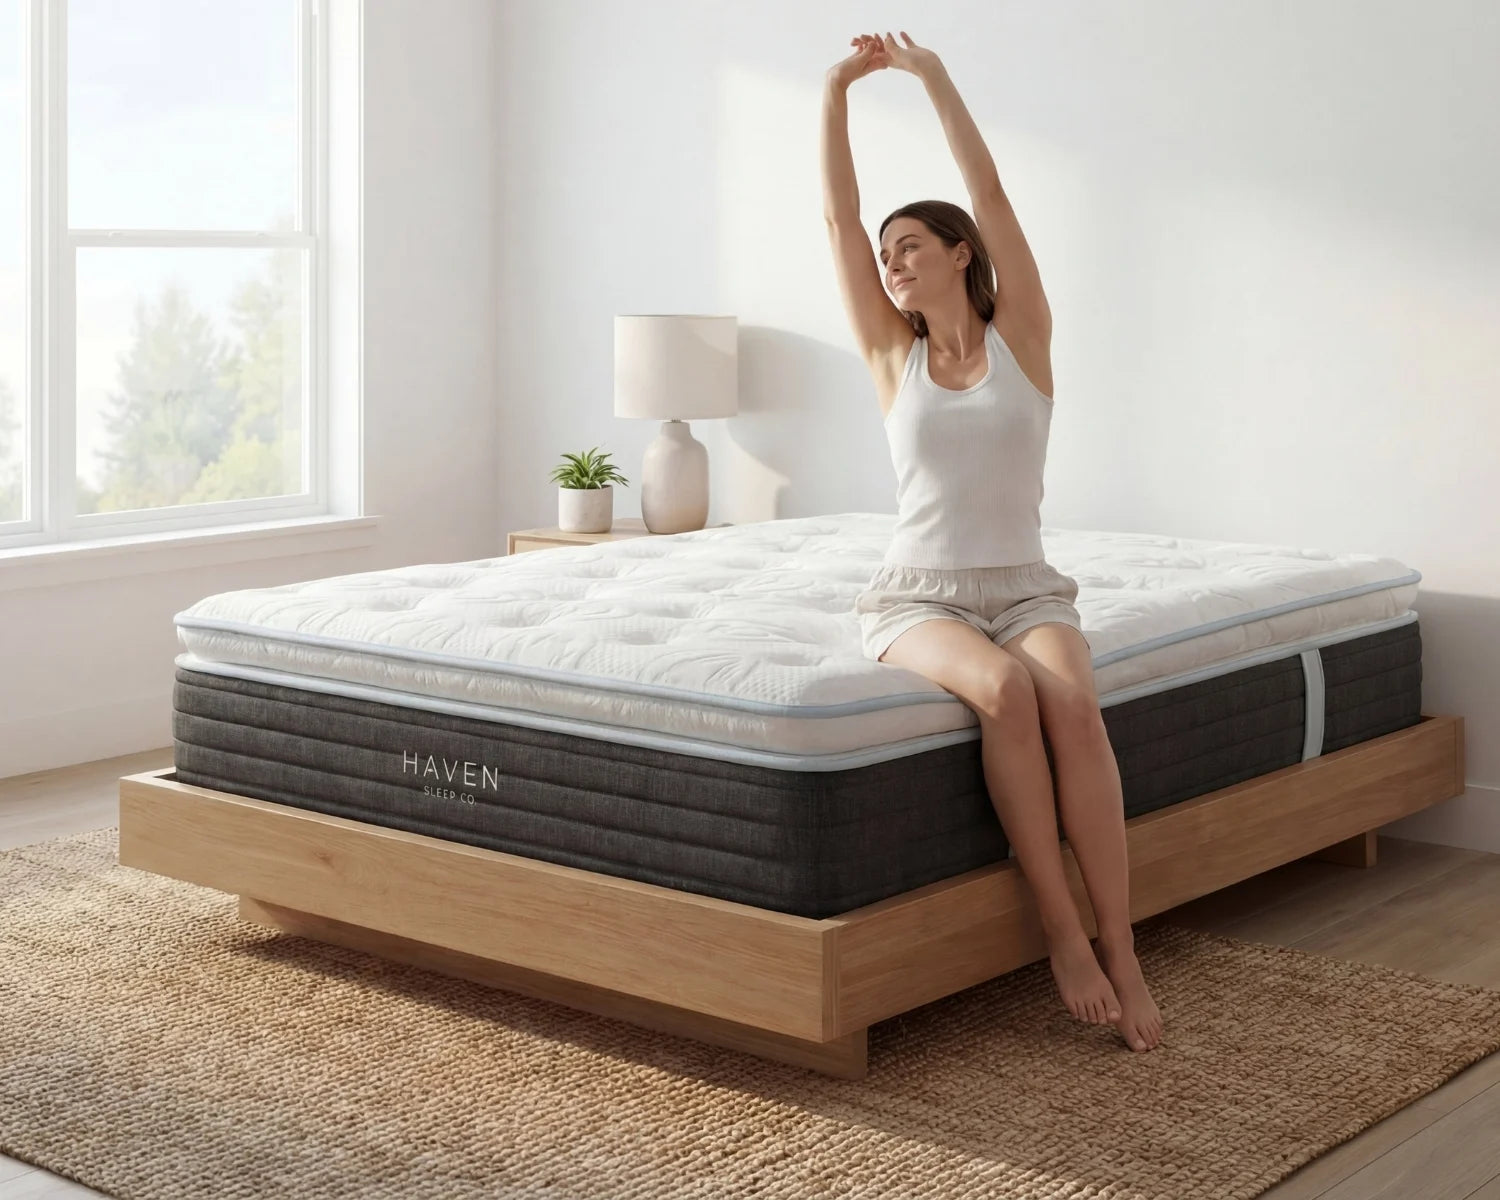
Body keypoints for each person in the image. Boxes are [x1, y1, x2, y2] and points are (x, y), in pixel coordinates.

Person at [822, 31, 1162, 1053]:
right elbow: (837, 219)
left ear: (960, 252)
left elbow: (994, 192)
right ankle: (1062, 935)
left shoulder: (1024, 341)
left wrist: (929, 78)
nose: (891, 264)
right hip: (915, 596)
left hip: (1027, 590)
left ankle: (1124, 945)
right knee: (1007, 695)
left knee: (1072, 698)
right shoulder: (894, 358)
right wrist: (836, 92)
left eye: (911, 246)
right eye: (886, 258)